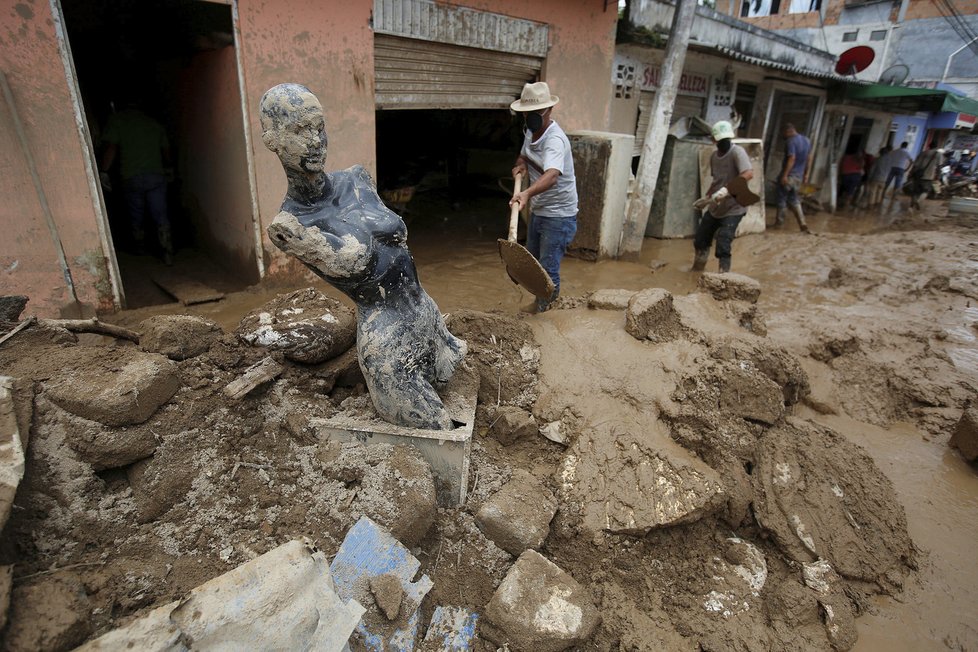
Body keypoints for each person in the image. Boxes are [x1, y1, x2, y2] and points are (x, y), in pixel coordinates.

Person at [259, 83, 466, 430]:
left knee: (451, 383)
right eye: (298, 130)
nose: (314, 140)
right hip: (386, 345)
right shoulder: (290, 226)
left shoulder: (357, 180)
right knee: (437, 429)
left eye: (318, 127)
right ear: (272, 140)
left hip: (426, 311)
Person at [509, 82, 578, 313]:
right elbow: (524, 156)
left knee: (548, 269)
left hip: (559, 215)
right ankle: (540, 305)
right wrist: (520, 166)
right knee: (534, 263)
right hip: (540, 208)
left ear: (549, 111)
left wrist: (526, 193)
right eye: (528, 113)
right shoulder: (529, 131)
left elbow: (552, 176)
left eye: (538, 113)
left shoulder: (554, 141)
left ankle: (545, 315)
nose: (532, 118)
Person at [100, 98, 174, 264]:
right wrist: (169, 168)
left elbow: (111, 147)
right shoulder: (153, 124)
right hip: (156, 175)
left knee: (136, 214)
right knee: (160, 213)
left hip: (131, 175)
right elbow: (166, 151)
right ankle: (167, 251)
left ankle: (140, 248)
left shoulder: (118, 121)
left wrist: (104, 171)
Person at [691, 120, 753, 274]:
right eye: (720, 140)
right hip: (716, 205)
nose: (724, 142)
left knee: (724, 240)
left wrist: (727, 190)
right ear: (714, 140)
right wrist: (706, 199)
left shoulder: (737, 152)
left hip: (735, 206)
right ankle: (697, 270)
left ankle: (723, 276)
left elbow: (748, 173)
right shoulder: (714, 157)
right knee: (701, 239)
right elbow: (716, 180)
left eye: (726, 139)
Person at [775, 123, 812, 232]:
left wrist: (785, 175)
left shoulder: (791, 141)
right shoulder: (806, 140)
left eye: (783, 133)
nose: (783, 136)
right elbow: (809, 158)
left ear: (788, 131)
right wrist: (806, 174)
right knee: (794, 200)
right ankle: (802, 223)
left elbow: (792, 158)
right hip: (799, 177)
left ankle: (779, 224)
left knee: (781, 198)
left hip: (790, 176)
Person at [908, 144, 942, 209]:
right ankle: (918, 201)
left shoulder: (922, 153)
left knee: (915, 191)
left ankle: (911, 206)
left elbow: (915, 165)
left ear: (929, 146)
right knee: (925, 191)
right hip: (928, 176)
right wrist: (938, 175)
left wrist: (911, 173)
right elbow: (939, 166)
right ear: (936, 147)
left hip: (917, 175)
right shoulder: (938, 154)